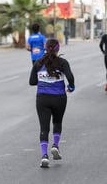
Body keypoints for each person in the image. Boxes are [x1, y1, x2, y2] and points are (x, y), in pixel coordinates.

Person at [29, 38, 75, 168]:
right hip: (59, 97)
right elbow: (70, 77)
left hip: (42, 98)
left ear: (45, 48)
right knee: (57, 122)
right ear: (58, 49)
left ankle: (44, 156)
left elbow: (32, 82)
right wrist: (71, 87)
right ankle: (55, 145)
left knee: (44, 128)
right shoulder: (63, 62)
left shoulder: (38, 63)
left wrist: (44, 78)